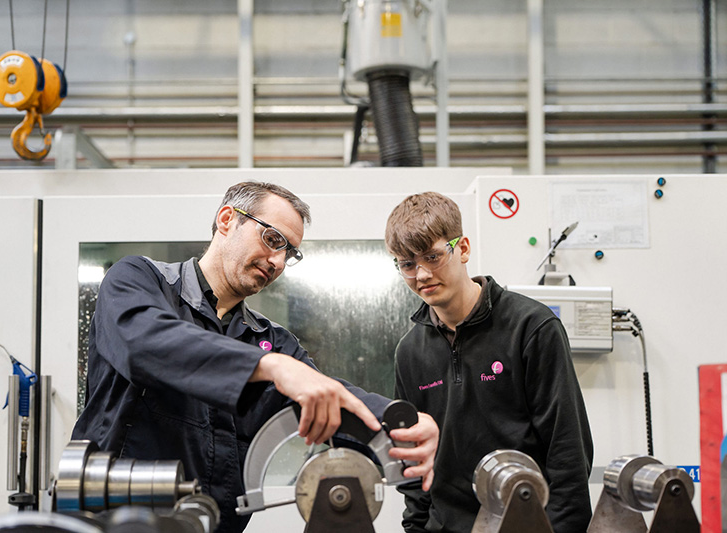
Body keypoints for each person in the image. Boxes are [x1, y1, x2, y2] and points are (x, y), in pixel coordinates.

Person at [72, 181, 438, 533]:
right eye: (273, 239)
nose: (277, 261)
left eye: (289, 252)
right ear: (227, 219)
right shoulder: (139, 280)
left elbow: (328, 399)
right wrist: (269, 367)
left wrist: (402, 426)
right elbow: (145, 343)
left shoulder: (271, 341)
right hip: (113, 522)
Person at [384, 192, 593, 533]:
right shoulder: (410, 352)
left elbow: (567, 451)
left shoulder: (531, 328)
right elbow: (414, 457)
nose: (421, 275)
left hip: (526, 523)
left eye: (432, 257)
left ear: (462, 248)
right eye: (407, 264)